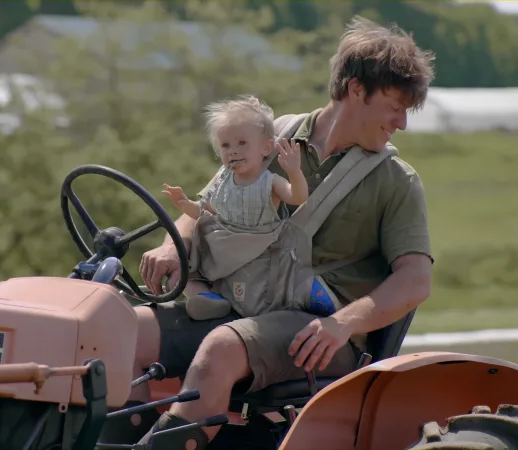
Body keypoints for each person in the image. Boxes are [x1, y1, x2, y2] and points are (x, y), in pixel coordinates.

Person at [99, 16, 436, 450]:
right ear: (356, 89)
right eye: (396, 106)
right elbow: (207, 207)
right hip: (240, 304)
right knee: (114, 331)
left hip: (319, 333)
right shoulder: (268, 137)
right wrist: (172, 243)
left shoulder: (396, 181)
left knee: (221, 348)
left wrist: (341, 324)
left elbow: (415, 280)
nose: (402, 123)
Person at [160, 94, 308, 321]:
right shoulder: (223, 181)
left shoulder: (269, 182)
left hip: (253, 250)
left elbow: (298, 197)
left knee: (250, 296)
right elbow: (204, 211)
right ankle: (208, 300)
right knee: (183, 271)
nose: (233, 151)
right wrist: (184, 203)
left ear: (266, 148)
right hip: (221, 246)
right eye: (226, 145)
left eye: (242, 143)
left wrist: (294, 172)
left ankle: (235, 310)